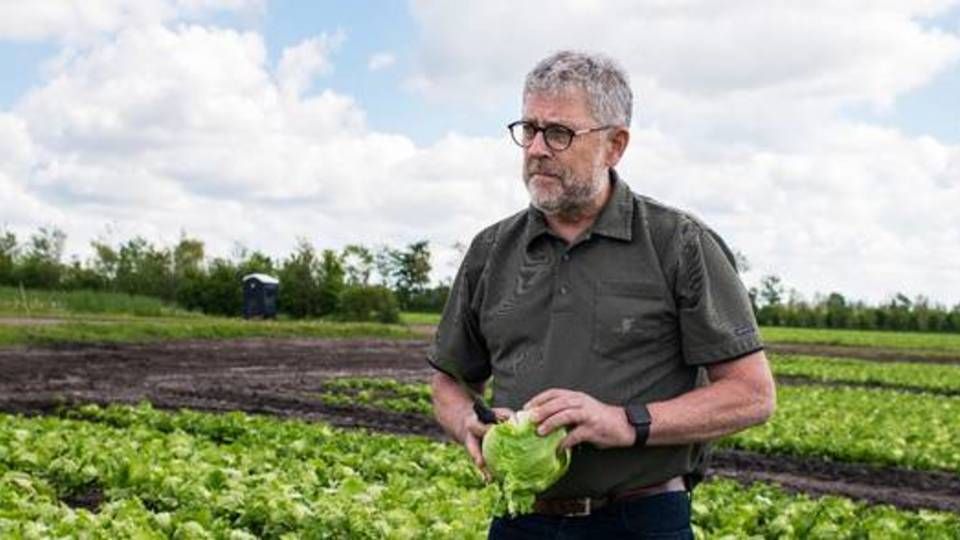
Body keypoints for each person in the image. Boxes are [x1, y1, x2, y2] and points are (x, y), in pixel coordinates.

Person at [428, 50, 776, 539]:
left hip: (640, 520)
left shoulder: (678, 243)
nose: (536, 149)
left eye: (560, 133)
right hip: (520, 520)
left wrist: (624, 422)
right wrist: (467, 421)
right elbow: (448, 381)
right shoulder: (491, 250)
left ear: (615, 145)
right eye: (528, 129)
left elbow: (752, 395)